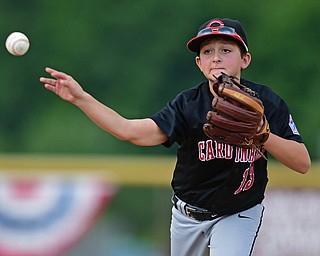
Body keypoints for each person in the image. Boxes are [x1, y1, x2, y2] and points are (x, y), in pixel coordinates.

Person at [40, 18, 311, 256]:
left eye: (226, 50)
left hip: (238, 213)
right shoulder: (188, 105)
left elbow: (302, 163)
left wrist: (262, 135)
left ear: (245, 60)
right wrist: (82, 99)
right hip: (187, 216)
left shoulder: (266, 104)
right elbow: (130, 132)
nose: (216, 57)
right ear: (199, 63)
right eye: (208, 51)